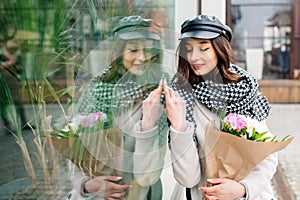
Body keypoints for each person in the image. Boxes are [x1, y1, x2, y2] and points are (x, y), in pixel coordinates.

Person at [164, 15, 278, 199]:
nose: (194, 57)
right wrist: (178, 125)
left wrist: (243, 189)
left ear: (219, 49)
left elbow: (268, 157)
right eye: (188, 49)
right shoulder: (180, 96)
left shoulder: (244, 90)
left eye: (203, 48)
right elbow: (188, 178)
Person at [66, 15, 169, 200]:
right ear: (119, 53)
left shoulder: (161, 94)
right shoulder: (98, 88)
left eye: (148, 50)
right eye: (133, 50)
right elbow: (76, 146)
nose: (142, 57)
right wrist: (87, 185)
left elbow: (148, 175)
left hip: (139, 195)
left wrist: (149, 124)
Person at [0, 39, 30, 133]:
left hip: (12, 81)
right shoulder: (3, 54)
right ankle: (8, 125)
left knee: (18, 102)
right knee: (3, 104)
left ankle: (24, 123)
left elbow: (19, 69)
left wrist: (14, 64)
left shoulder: (13, 55)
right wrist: (7, 64)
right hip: (2, 81)